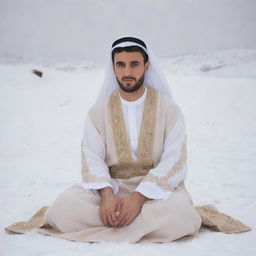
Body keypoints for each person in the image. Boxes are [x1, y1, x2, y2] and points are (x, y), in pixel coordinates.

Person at [42, 37, 202, 243]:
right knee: (64, 208)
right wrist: (107, 197)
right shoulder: (98, 112)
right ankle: (138, 226)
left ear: (146, 66)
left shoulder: (169, 109)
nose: (127, 72)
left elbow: (175, 159)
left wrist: (138, 197)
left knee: (180, 215)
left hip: (155, 191)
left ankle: (114, 226)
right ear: (113, 68)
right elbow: (92, 158)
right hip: (113, 186)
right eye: (121, 65)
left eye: (134, 64)